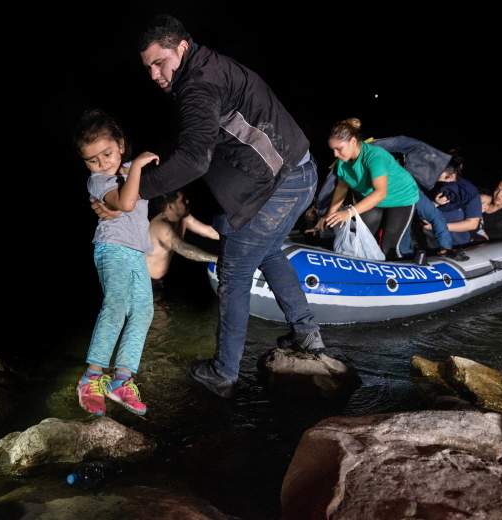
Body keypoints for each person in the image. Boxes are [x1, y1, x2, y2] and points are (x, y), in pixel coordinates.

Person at [95, 14, 325, 398]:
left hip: (281, 184)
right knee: (268, 253)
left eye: (159, 63)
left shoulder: (198, 85)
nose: (154, 74)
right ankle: (308, 335)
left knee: (233, 270)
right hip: (298, 172)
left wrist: (131, 196)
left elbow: (194, 161)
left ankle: (224, 372)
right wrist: (133, 171)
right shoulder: (207, 68)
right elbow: (193, 142)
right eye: (148, 67)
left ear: (181, 48)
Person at [75, 108, 159, 417]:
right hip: (112, 248)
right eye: (92, 159)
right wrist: (135, 165)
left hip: (136, 251)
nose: (101, 163)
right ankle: (91, 377)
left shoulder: (126, 170)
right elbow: (124, 202)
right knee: (117, 304)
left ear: (121, 144)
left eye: (107, 154)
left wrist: (133, 168)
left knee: (144, 310)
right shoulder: (99, 181)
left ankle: (122, 379)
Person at [319, 119, 420, 260]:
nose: (335, 154)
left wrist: (349, 212)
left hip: (400, 198)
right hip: (372, 198)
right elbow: (342, 187)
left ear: (353, 142)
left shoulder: (374, 156)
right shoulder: (342, 162)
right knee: (358, 238)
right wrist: (329, 216)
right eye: (333, 150)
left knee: (388, 247)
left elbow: (380, 193)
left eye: (339, 149)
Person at [147, 191, 219, 282]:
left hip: (160, 279)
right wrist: (217, 259)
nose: (187, 201)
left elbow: (209, 232)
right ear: (170, 206)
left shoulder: (183, 218)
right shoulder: (161, 226)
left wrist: (236, 237)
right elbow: (184, 249)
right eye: (183, 200)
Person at [432, 153, 483, 246]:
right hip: (429, 242)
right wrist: (435, 203)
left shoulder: (469, 190)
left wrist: (438, 226)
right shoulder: (430, 183)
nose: (446, 181)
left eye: (448, 176)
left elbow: (472, 224)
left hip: (457, 244)